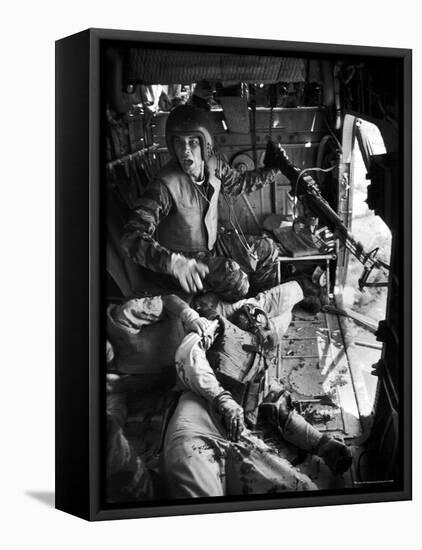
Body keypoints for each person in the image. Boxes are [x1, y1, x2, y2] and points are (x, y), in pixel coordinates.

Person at [163, 281, 352, 498]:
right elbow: (187, 355)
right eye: (261, 323)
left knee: (305, 489)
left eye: (268, 325)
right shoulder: (214, 328)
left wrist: (322, 444)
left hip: (237, 436)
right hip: (196, 428)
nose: (267, 328)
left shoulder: (260, 369)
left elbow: (280, 411)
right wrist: (221, 397)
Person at [121, 104, 285, 302]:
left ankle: (259, 306)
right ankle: (221, 310)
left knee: (268, 249)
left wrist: (275, 169)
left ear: (205, 145)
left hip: (213, 244)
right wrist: (173, 262)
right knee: (235, 278)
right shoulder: (165, 185)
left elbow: (239, 184)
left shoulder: (215, 166)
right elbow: (132, 236)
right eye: (179, 143)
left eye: (193, 142)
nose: (186, 151)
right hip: (184, 262)